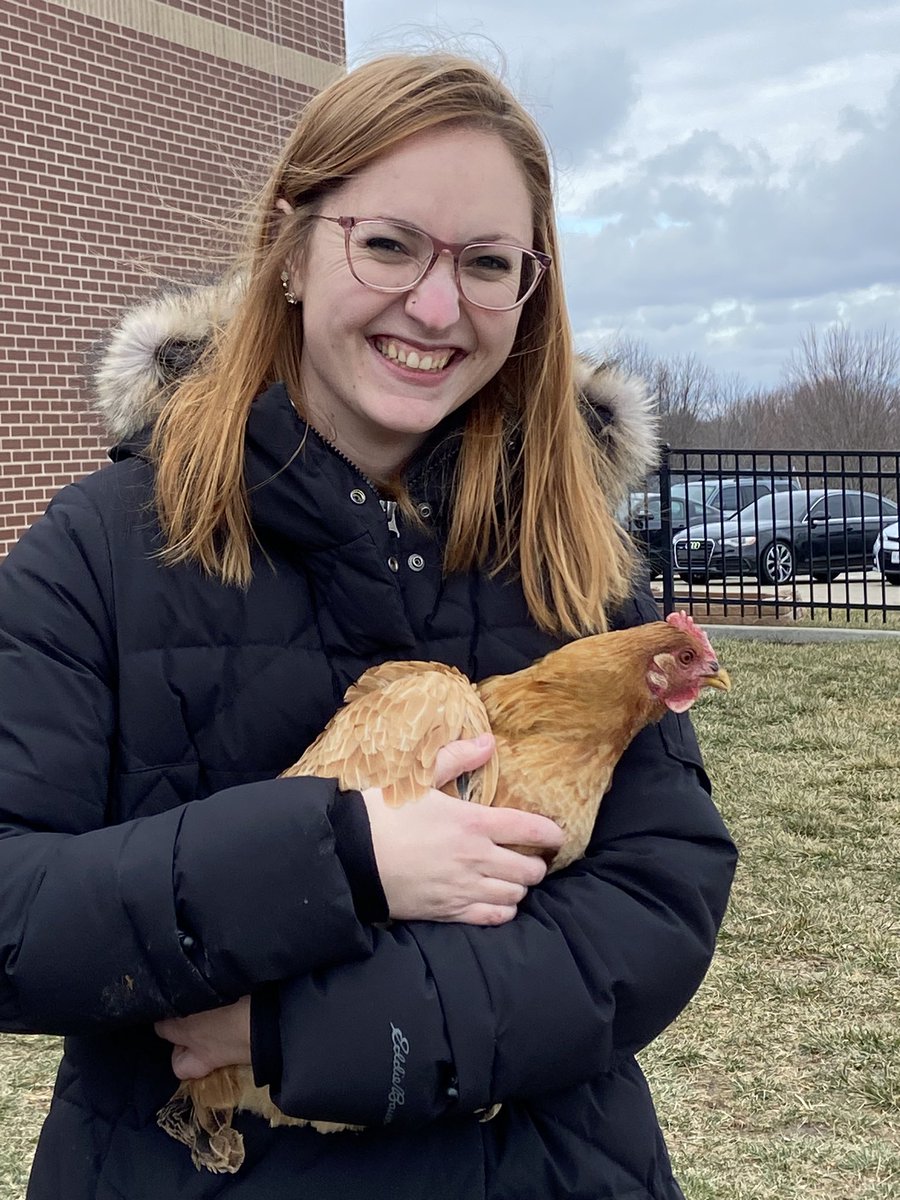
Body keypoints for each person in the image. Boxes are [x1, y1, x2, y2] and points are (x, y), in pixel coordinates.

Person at [0, 52, 736, 1199]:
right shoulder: (101, 548)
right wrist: (343, 857)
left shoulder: (572, 557)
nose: (436, 308)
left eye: (488, 264)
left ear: (530, 291)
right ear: (292, 248)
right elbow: (12, 914)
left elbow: (658, 903)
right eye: (389, 245)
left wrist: (312, 1030)